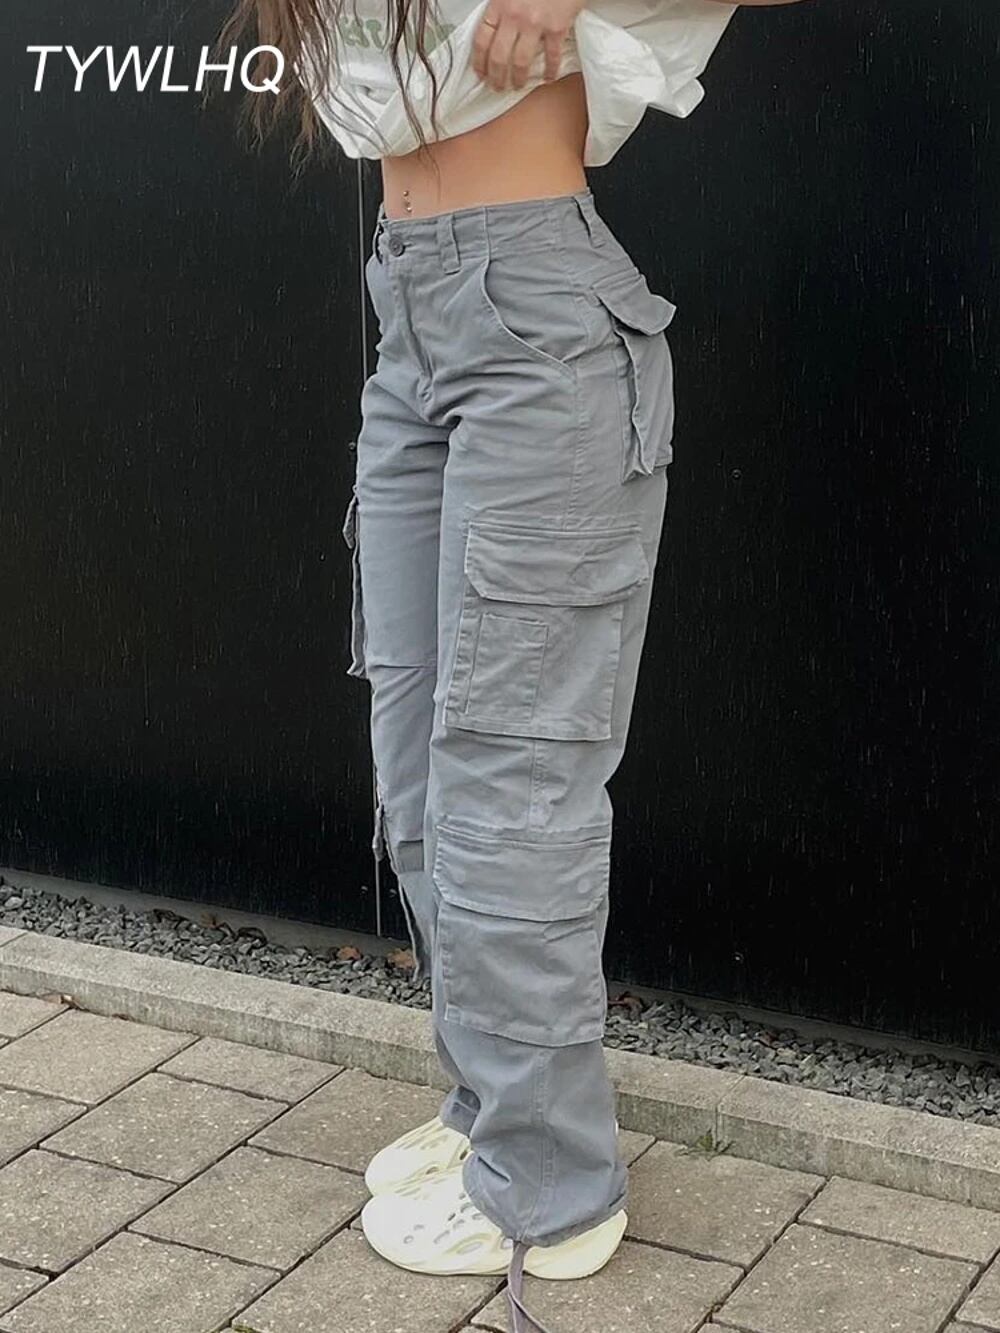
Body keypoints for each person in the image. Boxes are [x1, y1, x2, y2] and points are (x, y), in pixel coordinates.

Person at [221, 0, 807, 1327]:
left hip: (536, 316)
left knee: (511, 781)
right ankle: (495, 1104)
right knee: (420, 771)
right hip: (413, 311)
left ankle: (555, 1186)